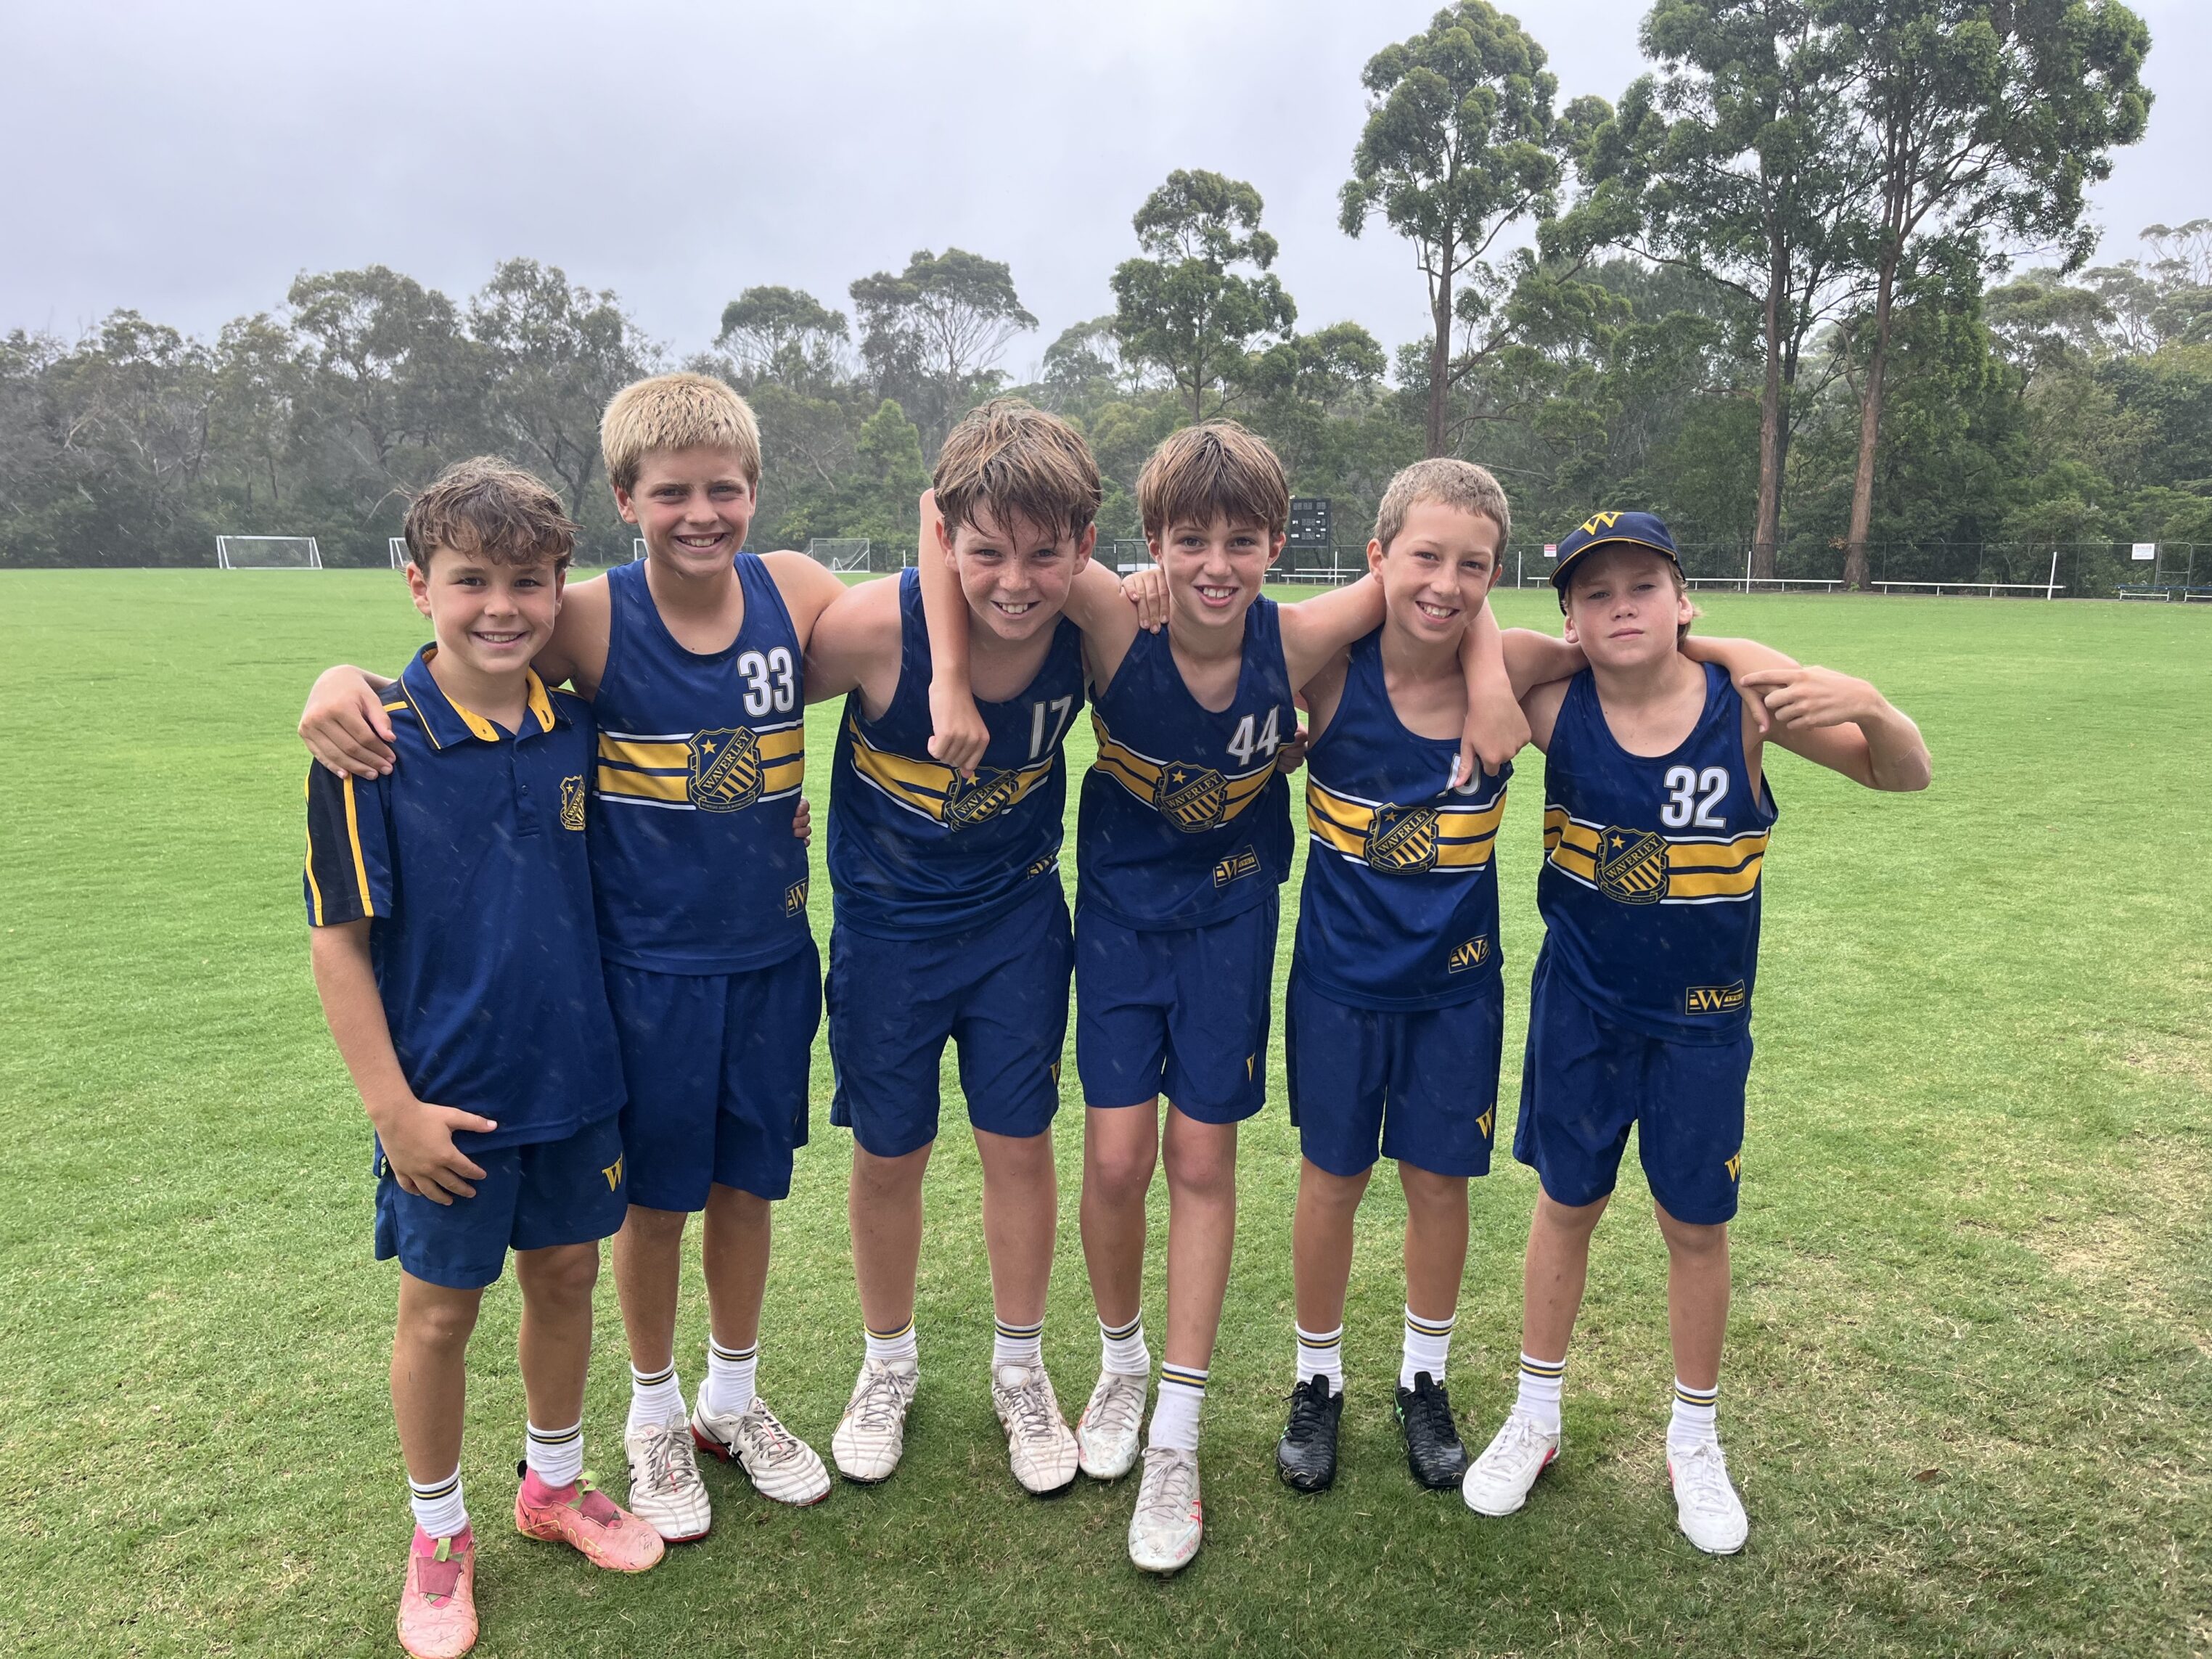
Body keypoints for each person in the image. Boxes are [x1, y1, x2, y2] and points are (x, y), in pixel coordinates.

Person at [925, 427, 1520, 1569]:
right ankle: (1122, 1363)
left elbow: (1436, 579)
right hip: (1115, 924)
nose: (1214, 563)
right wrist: (949, 675)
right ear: (1146, 543)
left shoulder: (1298, 636)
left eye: (1240, 540)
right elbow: (942, 512)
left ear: (1275, 544)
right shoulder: (1108, 616)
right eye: (1188, 539)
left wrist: (1488, 671)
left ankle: (1178, 1440)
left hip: (1233, 927)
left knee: (1201, 1160)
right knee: (1112, 1160)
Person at [297, 373, 848, 1540]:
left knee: (745, 1189)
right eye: (671, 492)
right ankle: (649, 1417)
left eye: (724, 488)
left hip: (764, 962)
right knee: (651, 1207)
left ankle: (729, 1401)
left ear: (755, 489)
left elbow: (900, 642)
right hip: (637, 983)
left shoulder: (791, 590)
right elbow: (463, 668)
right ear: (624, 498)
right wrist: (337, 683)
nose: (701, 512)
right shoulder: (584, 619)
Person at [1461, 510, 1930, 1554]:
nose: (1620, 605)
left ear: (1686, 598)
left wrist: (1873, 703)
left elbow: (1904, 772)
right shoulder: (1555, 706)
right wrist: (1563, 648)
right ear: (1572, 619)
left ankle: (1695, 1436)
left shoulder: (1748, 711)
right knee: (1566, 1202)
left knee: (1694, 1226)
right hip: (1582, 1011)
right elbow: (1480, 643)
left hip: (1703, 1026)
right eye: (1595, 593)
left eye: (1643, 586)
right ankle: (1535, 1414)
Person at [304, 459, 663, 1659]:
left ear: (562, 587)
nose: (501, 606)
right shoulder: (370, 744)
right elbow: (338, 947)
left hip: (578, 1081)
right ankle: (439, 1534)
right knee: (440, 1312)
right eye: (471, 581)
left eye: (528, 580)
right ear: (418, 586)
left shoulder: (579, 730)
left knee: (567, 1278)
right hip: (444, 1106)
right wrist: (391, 1107)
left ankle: (551, 1486)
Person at [803, 398, 1160, 1499]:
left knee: (1019, 1144)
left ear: (1086, 546)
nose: (1015, 579)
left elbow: (1210, 669)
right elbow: (731, 692)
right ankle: (888, 1362)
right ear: (945, 536)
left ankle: (1020, 1368)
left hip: (1015, 926)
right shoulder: (874, 628)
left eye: (1044, 554)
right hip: (887, 936)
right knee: (890, 1153)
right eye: (986, 550)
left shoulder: (1095, 615)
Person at [1274, 459, 1524, 1501]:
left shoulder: (1517, 673)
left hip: (1457, 987)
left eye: (1474, 567)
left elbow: (1627, 648)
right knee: (1333, 1179)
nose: (1447, 584)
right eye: (1425, 556)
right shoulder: (1329, 674)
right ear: (1378, 557)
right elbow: (1244, 635)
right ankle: (1315, 1380)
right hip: (1340, 982)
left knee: (1439, 1183)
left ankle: (1424, 1376)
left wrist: (1497, 667)